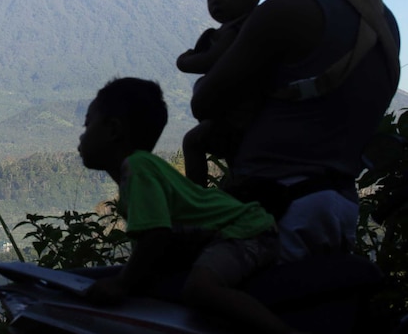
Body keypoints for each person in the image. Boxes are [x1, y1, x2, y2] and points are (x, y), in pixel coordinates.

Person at [191, 0, 401, 262]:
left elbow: (205, 102)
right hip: (337, 205)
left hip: (274, 208)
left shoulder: (288, 12)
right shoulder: (385, 22)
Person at [78, 77, 305, 334]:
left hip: (245, 230)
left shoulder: (137, 168)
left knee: (201, 289)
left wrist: (121, 284)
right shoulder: (139, 170)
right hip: (237, 230)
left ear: (112, 130)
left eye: (87, 125)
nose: (82, 135)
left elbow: (155, 236)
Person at [177, 0, 265, 186]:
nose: (216, 1)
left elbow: (209, 60)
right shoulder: (242, 28)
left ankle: (197, 198)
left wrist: (184, 60)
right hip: (236, 117)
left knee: (193, 142)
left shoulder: (239, 31)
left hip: (239, 117)